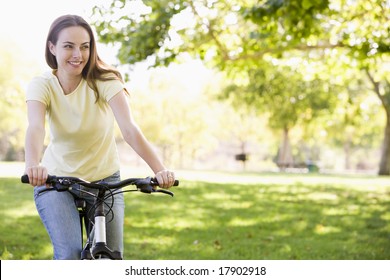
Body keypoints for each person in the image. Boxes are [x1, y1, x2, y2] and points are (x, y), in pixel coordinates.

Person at [24, 14, 176, 260]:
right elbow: (35, 128)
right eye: (68, 46)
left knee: (111, 258)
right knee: (70, 255)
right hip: (56, 181)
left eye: (85, 46)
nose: (78, 54)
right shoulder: (41, 85)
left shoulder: (105, 80)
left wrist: (160, 169)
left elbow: (129, 129)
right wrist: (33, 165)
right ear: (52, 47)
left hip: (104, 182)